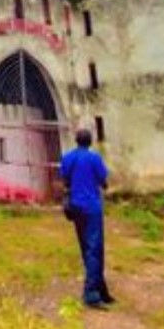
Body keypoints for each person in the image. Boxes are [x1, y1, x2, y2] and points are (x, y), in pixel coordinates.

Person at [60, 128, 114, 309]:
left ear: (76, 140)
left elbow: (65, 180)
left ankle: (101, 289)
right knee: (95, 248)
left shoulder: (68, 158)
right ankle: (91, 294)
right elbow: (104, 181)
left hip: (75, 206)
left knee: (86, 247)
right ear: (90, 142)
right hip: (91, 207)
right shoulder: (94, 158)